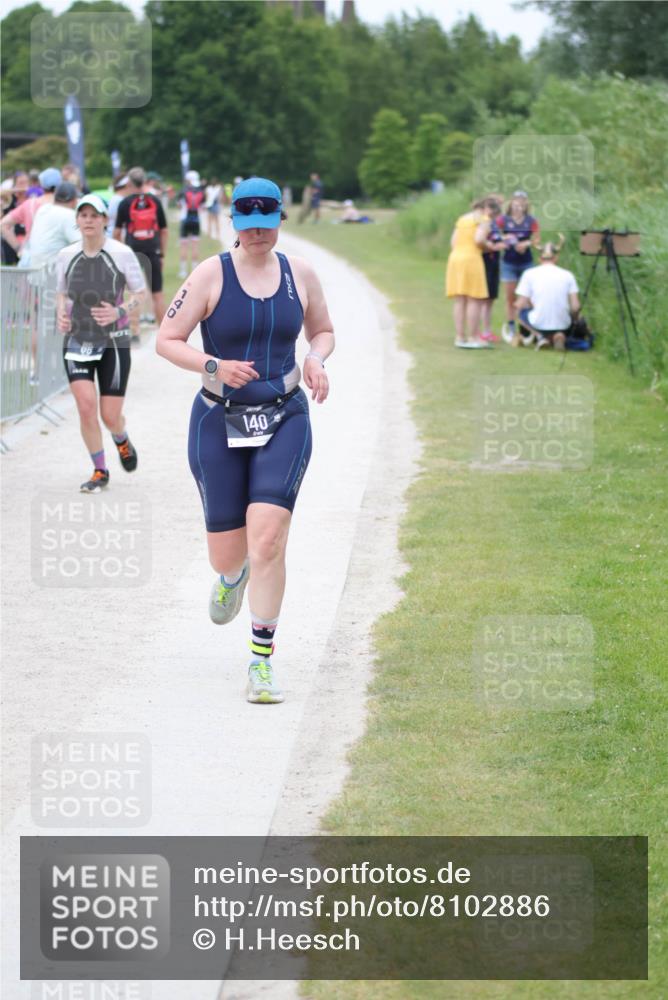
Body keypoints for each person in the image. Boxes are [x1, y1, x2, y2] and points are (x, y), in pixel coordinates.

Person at [156, 176, 334, 705]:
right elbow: (166, 340)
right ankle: (232, 575)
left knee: (269, 540)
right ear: (234, 223)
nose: (258, 235)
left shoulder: (299, 274)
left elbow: (323, 329)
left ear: (280, 219)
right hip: (219, 418)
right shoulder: (210, 274)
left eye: (267, 225)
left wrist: (315, 357)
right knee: (229, 555)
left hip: (284, 415)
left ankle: (260, 661)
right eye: (248, 226)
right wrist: (212, 363)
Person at [56, 194, 146, 492]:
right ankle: (99, 470)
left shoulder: (121, 253)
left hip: (114, 343)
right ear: (77, 220)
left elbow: (140, 294)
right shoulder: (66, 255)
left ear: (105, 220)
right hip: (77, 340)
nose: (89, 220)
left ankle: (120, 437)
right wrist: (61, 314)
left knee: (109, 415)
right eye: (83, 215)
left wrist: (119, 311)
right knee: (85, 406)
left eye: (95, 215)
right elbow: (62, 293)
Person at [114, 166, 168, 327]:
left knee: (134, 294)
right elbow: (164, 230)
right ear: (144, 182)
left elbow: (117, 232)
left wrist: (120, 250)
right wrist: (162, 254)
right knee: (157, 294)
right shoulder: (155, 201)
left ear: (129, 182)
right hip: (153, 251)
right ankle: (164, 334)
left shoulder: (124, 203)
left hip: (132, 252)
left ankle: (136, 334)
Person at [445, 197, 500, 348]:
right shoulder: (483, 219)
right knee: (474, 299)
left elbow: (453, 242)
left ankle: (460, 337)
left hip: (455, 258)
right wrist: (489, 246)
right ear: (488, 209)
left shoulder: (463, 218)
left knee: (459, 299)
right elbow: (479, 239)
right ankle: (473, 337)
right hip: (471, 258)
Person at [515, 236, 580, 351]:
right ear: (556, 258)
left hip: (537, 323)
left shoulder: (529, 274)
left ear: (540, 259)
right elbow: (576, 306)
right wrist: (574, 319)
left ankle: (540, 337)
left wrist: (520, 306)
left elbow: (520, 304)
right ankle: (559, 335)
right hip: (563, 324)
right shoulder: (568, 275)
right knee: (568, 317)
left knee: (520, 314)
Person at [497, 190, 540, 344]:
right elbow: (493, 233)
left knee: (527, 297)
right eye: (516, 202)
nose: (518, 206)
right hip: (508, 263)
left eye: (522, 203)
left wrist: (526, 243)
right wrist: (505, 238)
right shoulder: (504, 220)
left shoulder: (531, 221)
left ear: (526, 204)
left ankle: (527, 328)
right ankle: (511, 326)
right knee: (510, 298)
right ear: (511, 203)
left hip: (526, 263)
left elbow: (536, 240)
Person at [1, 168, 62, 260]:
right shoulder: (65, 205)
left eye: (26, 183)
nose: (24, 186)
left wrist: (18, 248)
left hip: (31, 254)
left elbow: (3, 224)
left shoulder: (30, 203)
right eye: (21, 183)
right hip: (55, 255)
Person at [21, 181, 79, 269]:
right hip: (53, 277)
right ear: (74, 200)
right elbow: (82, 245)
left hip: (33, 274)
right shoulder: (69, 215)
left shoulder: (43, 209)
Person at [479, 193, 505, 342]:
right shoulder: (484, 222)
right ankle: (481, 331)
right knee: (483, 298)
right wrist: (495, 246)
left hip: (494, 261)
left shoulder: (494, 223)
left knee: (490, 299)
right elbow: (479, 243)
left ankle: (487, 330)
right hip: (485, 262)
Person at [177, 170, 206, 277]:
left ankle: (183, 271)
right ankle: (194, 270)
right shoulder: (201, 191)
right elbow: (202, 208)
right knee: (195, 246)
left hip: (185, 221)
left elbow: (179, 206)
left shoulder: (183, 191)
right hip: (196, 220)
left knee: (184, 246)